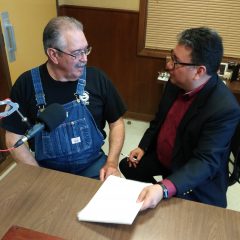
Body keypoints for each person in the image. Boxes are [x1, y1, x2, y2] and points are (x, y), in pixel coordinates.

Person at [119, 27, 240, 210]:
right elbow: (159, 120)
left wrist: (164, 189)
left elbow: (206, 161)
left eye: (176, 62)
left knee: (183, 216)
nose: (169, 65)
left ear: (199, 71)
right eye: (171, 56)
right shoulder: (175, 82)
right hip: (166, 157)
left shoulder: (224, 108)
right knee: (128, 165)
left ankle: (165, 195)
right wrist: (143, 146)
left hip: (194, 172)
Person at [2, 16, 126, 181]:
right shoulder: (26, 85)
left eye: (86, 49)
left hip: (94, 165)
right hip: (47, 171)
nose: (85, 58)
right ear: (53, 54)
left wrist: (111, 162)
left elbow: (116, 122)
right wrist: (37, 176)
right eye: (77, 53)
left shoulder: (97, 78)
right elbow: (12, 139)